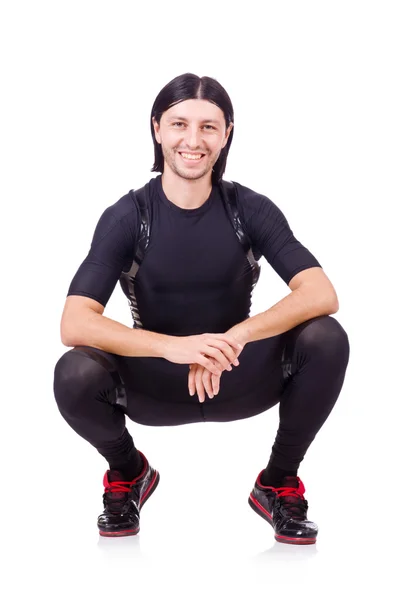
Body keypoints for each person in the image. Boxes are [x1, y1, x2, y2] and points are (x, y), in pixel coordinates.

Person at [53, 72, 350, 545]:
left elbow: (320, 293)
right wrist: (175, 348)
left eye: (209, 127)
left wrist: (231, 339)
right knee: (73, 373)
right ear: (156, 129)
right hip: (155, 381)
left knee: (327, 337)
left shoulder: (250, 209)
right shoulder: (127, 216)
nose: (193, 140)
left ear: (227, 133)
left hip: (237, 373)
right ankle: (129, 472)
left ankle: (279, 480)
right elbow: (75, 322)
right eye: (179, 125)